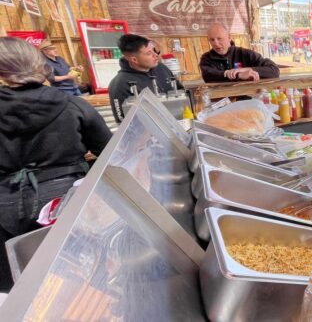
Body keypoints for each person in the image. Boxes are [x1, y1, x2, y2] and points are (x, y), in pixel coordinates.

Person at [0, 37, 111, 292]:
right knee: (81, 284)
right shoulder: (71, 104)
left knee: (21, 288)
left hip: (6, 209)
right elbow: (108, 150)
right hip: (66, 203)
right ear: (39, 65)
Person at [108, 34, 183, 123]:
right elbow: (122, 121)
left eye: (154, 50)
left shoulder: (161, 68)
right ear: (134, 59)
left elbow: (180, 91)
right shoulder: (119, 85)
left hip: (177, 124)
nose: (155, 55)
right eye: (148, 53)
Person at [199, 24, 279, 83]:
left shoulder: (245, 53)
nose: (216, 43)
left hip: (247, 99)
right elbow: (209, 76)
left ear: (229, 37)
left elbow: (274, 70)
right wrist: (239, 75)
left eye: (219, 38)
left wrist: (246, 70)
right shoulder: (206, 58)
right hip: (220, 102)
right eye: (212, 40)